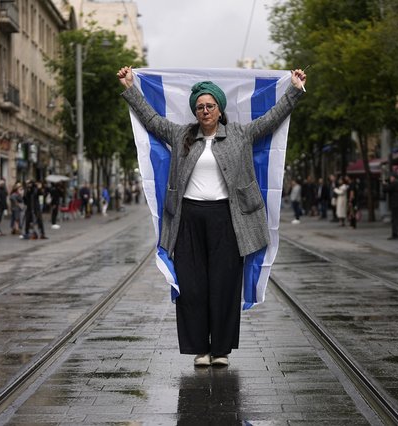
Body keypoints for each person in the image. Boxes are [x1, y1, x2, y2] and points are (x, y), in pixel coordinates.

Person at [118, 66, 306, 367]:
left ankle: (220, 350)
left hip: (228, 218)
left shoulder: (240, 134)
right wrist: (130, 88)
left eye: (210, 106)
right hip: (188, 217)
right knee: (191, 285)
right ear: (195, 111)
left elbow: (272, 119)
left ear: (219, 110)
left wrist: (294, 90)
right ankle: (199, 349)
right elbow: (151, 120)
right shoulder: (182, 135)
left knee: (224, 284)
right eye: (200, 107)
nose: (205, 111)